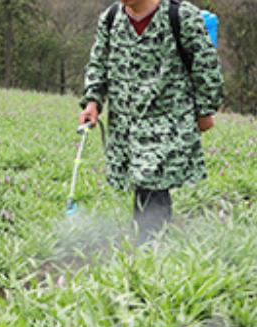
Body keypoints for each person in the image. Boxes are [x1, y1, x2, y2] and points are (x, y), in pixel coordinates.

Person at [79, 0, 224, 243]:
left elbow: (206, 68)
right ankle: (149, 243)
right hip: (125, 123)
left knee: (152, 181)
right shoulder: (112, 17)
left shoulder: (181, 16)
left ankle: (149, 248)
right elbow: (99, 62)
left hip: (167, 120)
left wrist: (205, 111)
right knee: (142, 183)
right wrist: (92, 101)